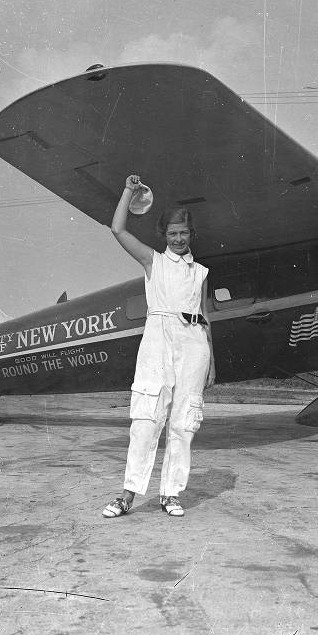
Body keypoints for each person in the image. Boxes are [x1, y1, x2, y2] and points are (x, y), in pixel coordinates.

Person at [101, 174, 215, 518]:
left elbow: (206, 317)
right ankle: (127, 496)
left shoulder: (201, 273)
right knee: (147, 419)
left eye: (184, 233)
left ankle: (170, 495)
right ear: (164, 236)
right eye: (172, 233)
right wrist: (128, 191)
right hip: (158, 339)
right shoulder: (154, 261)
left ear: (192, 235)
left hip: (195, 346)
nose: (179, 239)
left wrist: (212, 363)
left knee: (184, 422)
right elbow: (118, 229)